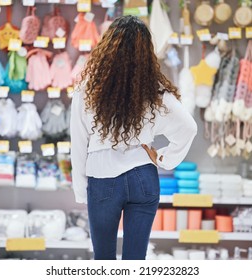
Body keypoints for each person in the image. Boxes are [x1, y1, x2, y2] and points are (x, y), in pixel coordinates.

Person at [70, 15, 197, 260]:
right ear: (145, 52)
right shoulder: (153, 90)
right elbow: (188, 127)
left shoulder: (87, 88)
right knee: (136, 261)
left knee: (103, 260)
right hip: (143, 177)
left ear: (107, 46)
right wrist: (162, 158)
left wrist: (80, 190)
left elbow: (79, 142)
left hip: (103, 179)